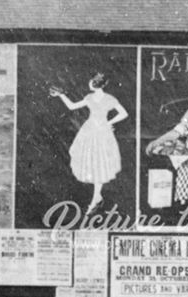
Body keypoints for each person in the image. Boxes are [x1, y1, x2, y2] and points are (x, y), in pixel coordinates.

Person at [49, 73, 129, 214]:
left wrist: (61, 95)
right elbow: (123, 114)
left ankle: (95, 199)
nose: (89, 83)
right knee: (95, 161)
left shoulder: (93, 98)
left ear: (94, 83)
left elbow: (72, 106)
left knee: (98, 161)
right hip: (94, 130)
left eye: (91, 81)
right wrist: (108, 123)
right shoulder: (104, 98)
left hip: (96, 130)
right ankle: (97, 197)